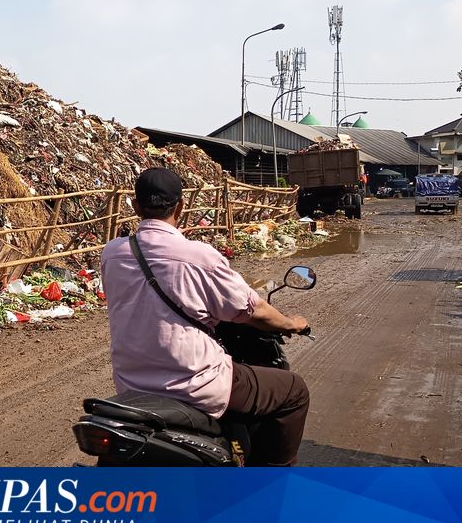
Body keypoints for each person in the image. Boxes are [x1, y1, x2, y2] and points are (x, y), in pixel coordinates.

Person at [101, 168, 311, 466]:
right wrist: (292, 322)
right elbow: (254, 310)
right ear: (181, 207)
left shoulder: (111, 253)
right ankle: (270, 486)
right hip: (195, 384)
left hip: (131, 386)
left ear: (136, 207)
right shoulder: (198, 256)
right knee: (294, 391)